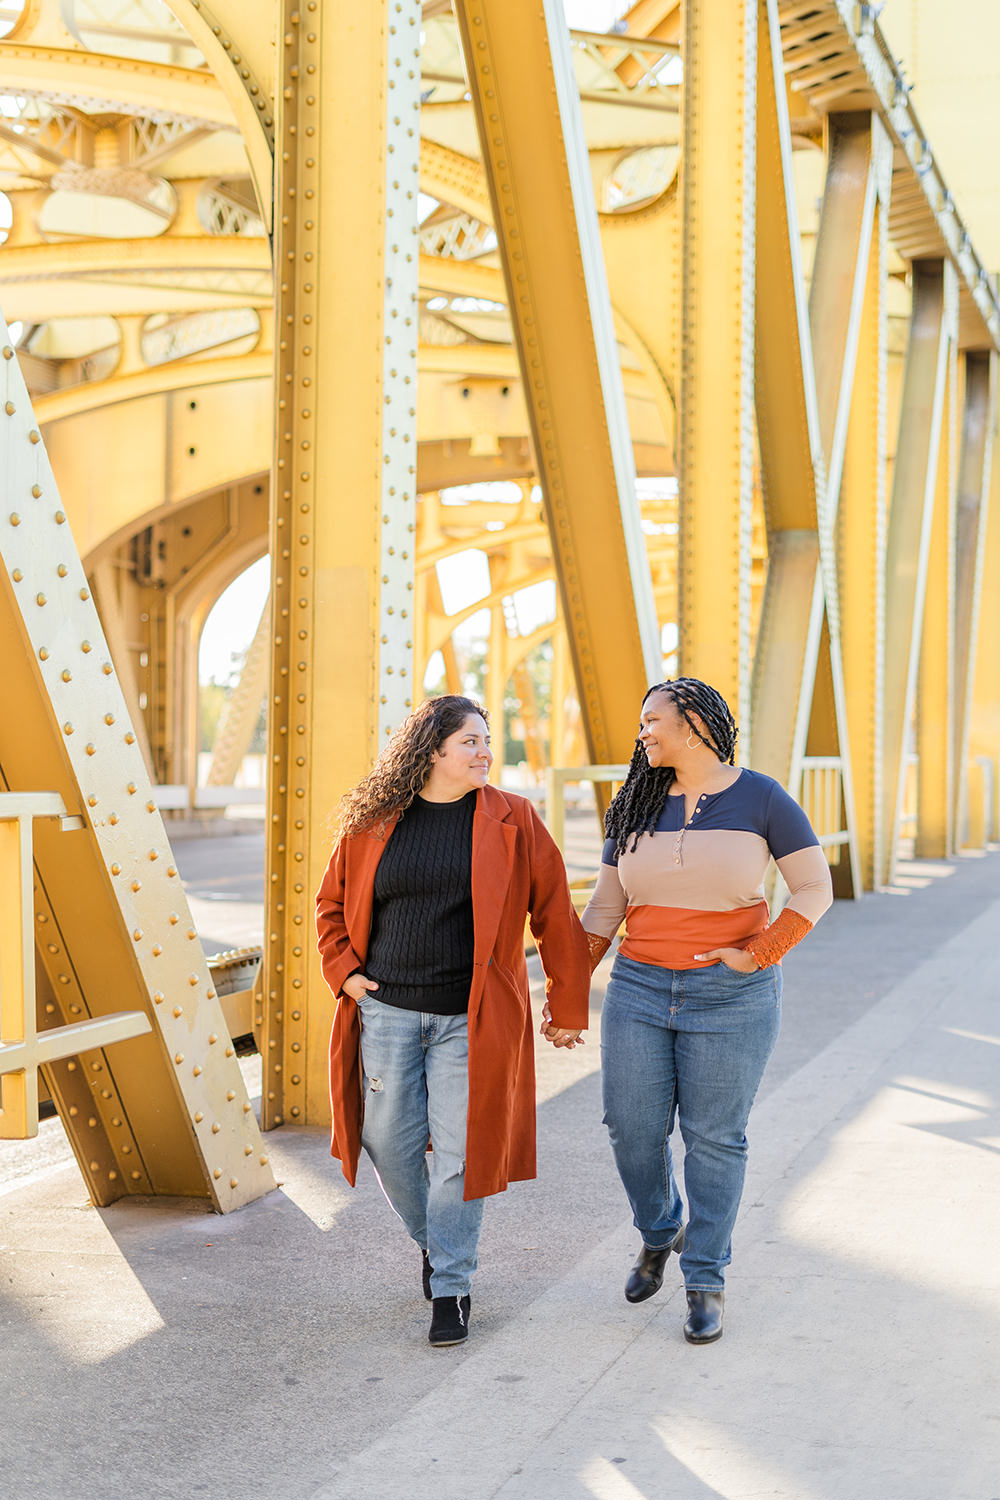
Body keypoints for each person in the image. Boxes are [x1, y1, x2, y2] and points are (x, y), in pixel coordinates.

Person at [316, 694, 589, 1348]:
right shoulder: (377, 820)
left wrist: (567, 1002)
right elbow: (330, 906)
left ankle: (453, 1285)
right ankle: (438, 1245)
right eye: (471, 741)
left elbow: (554, 912)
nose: (485, 752)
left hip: (470, 1017)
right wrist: (345, 973)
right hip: (385, 1012)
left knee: (463, 1155)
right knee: (390, 1144)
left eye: (488, 740)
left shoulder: (514, 819)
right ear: (433, 750)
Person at [582, 677, 833, 1344]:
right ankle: (662, 1230)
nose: (642, 732)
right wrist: (567, 985)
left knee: (716, 1137)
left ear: (692, 722)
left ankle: (705, 1278)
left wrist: (761, 952)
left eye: (651, 720)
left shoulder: (761, 797)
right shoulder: (633, 802)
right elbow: (606, 911)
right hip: (637, 988)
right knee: (631, 1128)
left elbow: (813, 886)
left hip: (731, 996)